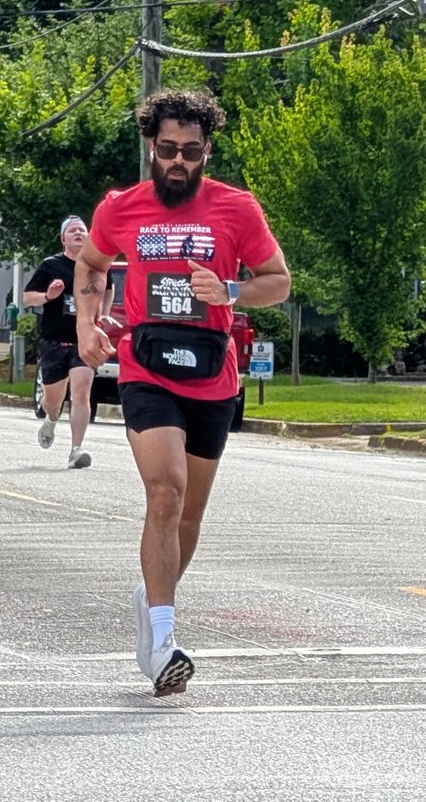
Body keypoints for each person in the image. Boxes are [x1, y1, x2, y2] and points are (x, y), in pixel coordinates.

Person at [74, 89, 290, 696]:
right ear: (151, 146)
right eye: (167, 149)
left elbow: (278, 281)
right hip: (146, 368)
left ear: (206, 151)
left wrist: (231, 291)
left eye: (190, 152)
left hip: (210, 373)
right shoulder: (123, 208)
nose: (178, 161)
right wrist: (87, 326)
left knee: (189, 513)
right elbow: (91, 265)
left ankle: (152, 599)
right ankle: (164, 642)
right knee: (164, 494)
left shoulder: (236, 208)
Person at [22, 215, 115, 469]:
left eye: (82, 229)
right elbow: (27, 298)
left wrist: (104, 313)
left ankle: (76, 449)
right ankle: (51, 419)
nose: (78, 233)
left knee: (81, 392)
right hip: (53, 339)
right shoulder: (50, 265)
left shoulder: (96, 266)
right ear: (63, 238)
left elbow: (108, 287)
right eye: (72, 230)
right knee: (53, 401)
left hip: (82, 342)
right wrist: (47, 295)